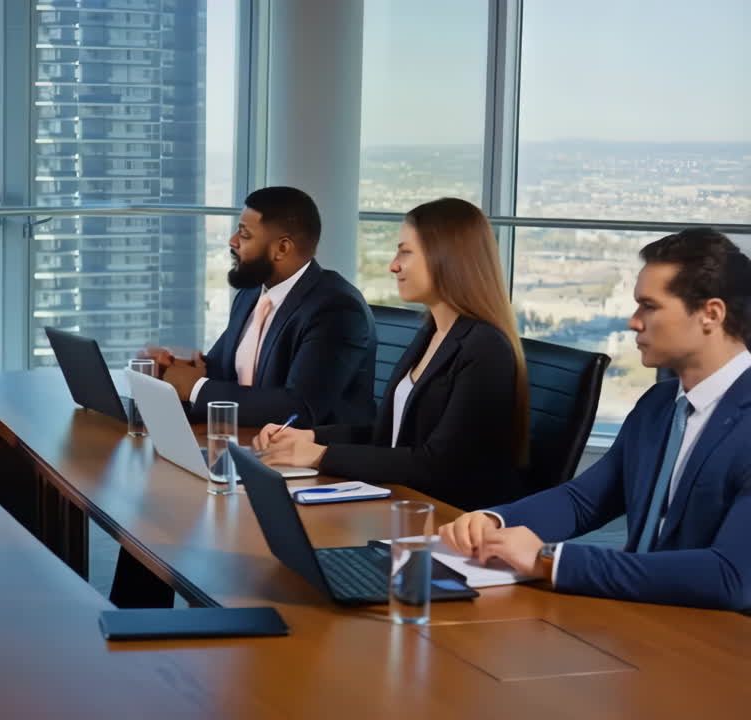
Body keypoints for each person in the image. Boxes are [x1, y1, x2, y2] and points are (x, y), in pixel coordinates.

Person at [439, 229, 751, 611]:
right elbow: (583, 501)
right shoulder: (658, 405)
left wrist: (548, 559)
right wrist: (494, 522)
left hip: (718, 638)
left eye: (649, 306)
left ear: (711, 314)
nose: (633, 322)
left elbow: (730, 577)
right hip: (639, 618)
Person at [254, 198, 528, 510]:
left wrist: (320, 456)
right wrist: (311, 437)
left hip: (449, 518)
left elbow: (441, 466)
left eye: (405, 252)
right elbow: (389, 435)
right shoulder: (432, 333)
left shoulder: (485, 348)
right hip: (405, 502)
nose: (393, 265)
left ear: (446, 257)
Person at [139, 186, 376, 429]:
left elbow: (300, 409)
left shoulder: (337, 310)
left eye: (245, 234)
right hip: (246, 440)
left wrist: (194, 387)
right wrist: (172, 366)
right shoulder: (250, 295)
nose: (232, 241)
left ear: (282, 248)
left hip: (311, 452)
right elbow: (222, 370)